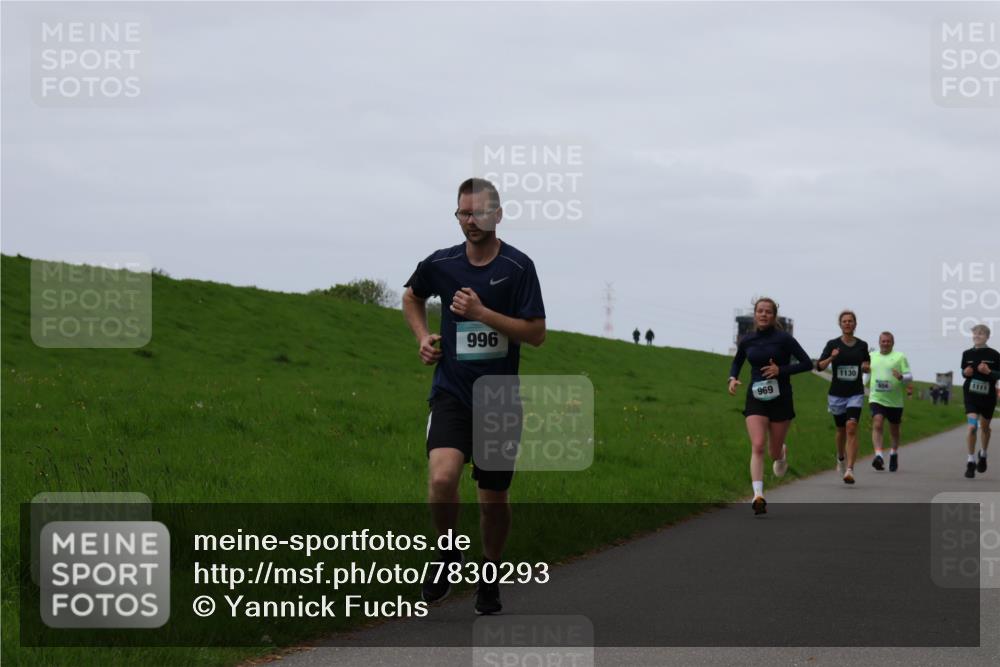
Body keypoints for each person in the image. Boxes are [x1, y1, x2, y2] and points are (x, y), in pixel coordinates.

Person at [402, 177, 546, 614]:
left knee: (493, 498)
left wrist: (483, 313)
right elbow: (411, 296)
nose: (471, 221)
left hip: (499, 399)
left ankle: (490, 575)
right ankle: (446, 554)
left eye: (480, 213)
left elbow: (536, 334)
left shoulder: (519, 267)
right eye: (464, 213)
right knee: (442, 478)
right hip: (451, 391)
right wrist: (423, 336)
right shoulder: (442, 263)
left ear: (497, 214)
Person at [728, 297, 813, 514]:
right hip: (756, 396)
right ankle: (758, 495)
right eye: (760, 311)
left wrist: (780, 370)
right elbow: (738, 360)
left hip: (781, 398)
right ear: (755, 314)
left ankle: (781, 452)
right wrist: (732, 377)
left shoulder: (784, 339)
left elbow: (806, 364)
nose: (764, 314)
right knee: (757, 445)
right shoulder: (747, 340)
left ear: (774, 316)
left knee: (773, 453)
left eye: (768, 311)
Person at [816, 310, 870, 484]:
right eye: (844, 321)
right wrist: (831, 357)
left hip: (855, 393)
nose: (847, 323)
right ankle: (840, 457)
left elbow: (866, 363)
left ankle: (850, 469)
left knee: (852, 426)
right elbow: (819, 367)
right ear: (840, 325)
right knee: (840, 430)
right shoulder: (832, 344)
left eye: (850, 321)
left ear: (855, 324)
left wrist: (865, 366)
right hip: (837, 394)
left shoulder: (862, 345)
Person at [867, 332, 912, 472]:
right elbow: (867, 373)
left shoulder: (899, 357)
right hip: (876, 398)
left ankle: (893, 452)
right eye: (883, 341)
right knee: (878, 422)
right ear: (879, 342)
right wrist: (861, 386)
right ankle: (879, 455)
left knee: (894, 430)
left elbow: (909, 376)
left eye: (888, 341)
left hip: (894, 401)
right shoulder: (872, 356)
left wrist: (901, 376)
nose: (885, 343)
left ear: (893, 343)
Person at [960, 324, 999, 478]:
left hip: (988, 397)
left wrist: (989, 371)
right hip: (971, 395)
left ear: (987, 337)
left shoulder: (995, 354)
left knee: (985, 428)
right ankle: (970, 461)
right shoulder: (966, 353)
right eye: (975, 333)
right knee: (971, 427)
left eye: (981, 334)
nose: (977, 336)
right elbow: (964, 372)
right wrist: (965, 372)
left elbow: (998, 374)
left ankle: (983, 454)